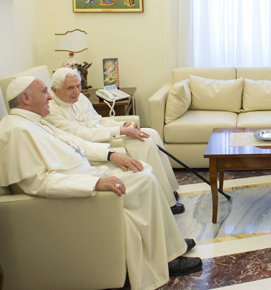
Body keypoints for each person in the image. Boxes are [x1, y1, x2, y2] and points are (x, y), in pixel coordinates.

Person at [0, 77, 202, 288]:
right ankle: (168, 258)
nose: (49, 97)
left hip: (88, 174)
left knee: (143, 171)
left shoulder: (34, 121)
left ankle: (169, 246)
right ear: (26, 98)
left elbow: (76, 143)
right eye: (45, 91)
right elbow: (37, 183)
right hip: (78, 192)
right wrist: (94, 184)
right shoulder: (15, 131)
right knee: (144, 179)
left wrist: (111, 155)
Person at [45, 67, 183, 214]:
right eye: (70, 88)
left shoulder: (81, 98)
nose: (76, 91)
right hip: (94, 145)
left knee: (151, 133)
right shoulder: (51, 111)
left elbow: (98, 120)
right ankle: (166, 203)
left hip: (105, 135)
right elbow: (81, 135)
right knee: (142, 141)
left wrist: (122, 125)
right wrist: (120, 131)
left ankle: (167, 189)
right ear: (55, 90)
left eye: (78, 86)